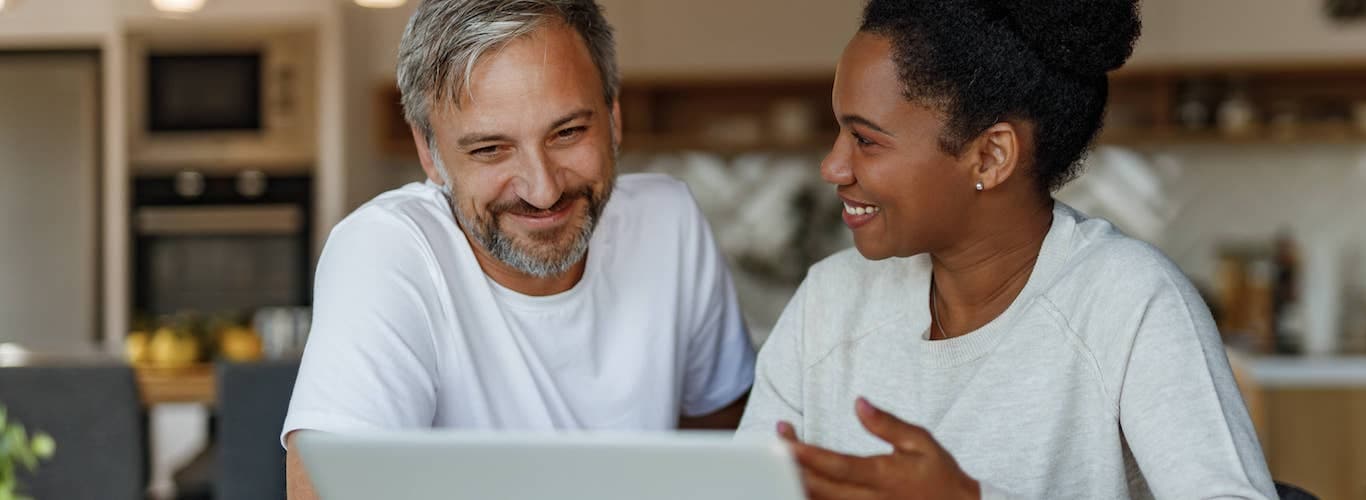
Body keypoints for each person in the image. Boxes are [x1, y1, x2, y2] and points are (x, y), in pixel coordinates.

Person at [736, 0, 1278, 498]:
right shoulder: (828, 302)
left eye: (866, 140)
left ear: (991, 156)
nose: (832, 166)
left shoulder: (1128, 301)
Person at [282, 0, 755, 497]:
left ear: (613, 119)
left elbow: (723, 449)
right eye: (490, 149)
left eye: (568, 132)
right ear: (430, 152)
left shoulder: (669, 221)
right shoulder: (386, 250)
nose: (543, 189)